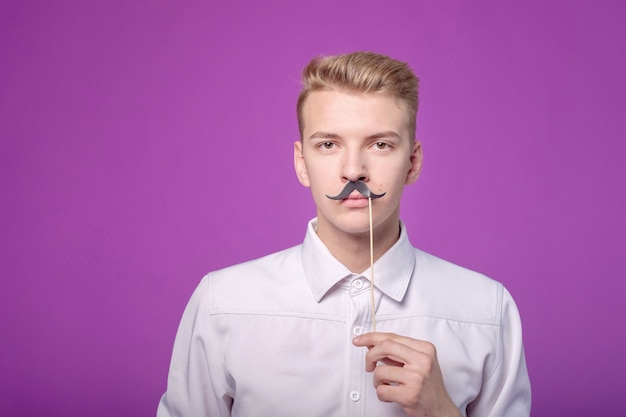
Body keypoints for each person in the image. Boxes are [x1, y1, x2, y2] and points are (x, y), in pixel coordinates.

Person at [157, 51, 531, 417]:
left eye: (380, 144)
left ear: (412, 163)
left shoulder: (486, 311)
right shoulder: (222, 304)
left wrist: (441, 411)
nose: (354, 171)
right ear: (302, 164)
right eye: (328, 145)